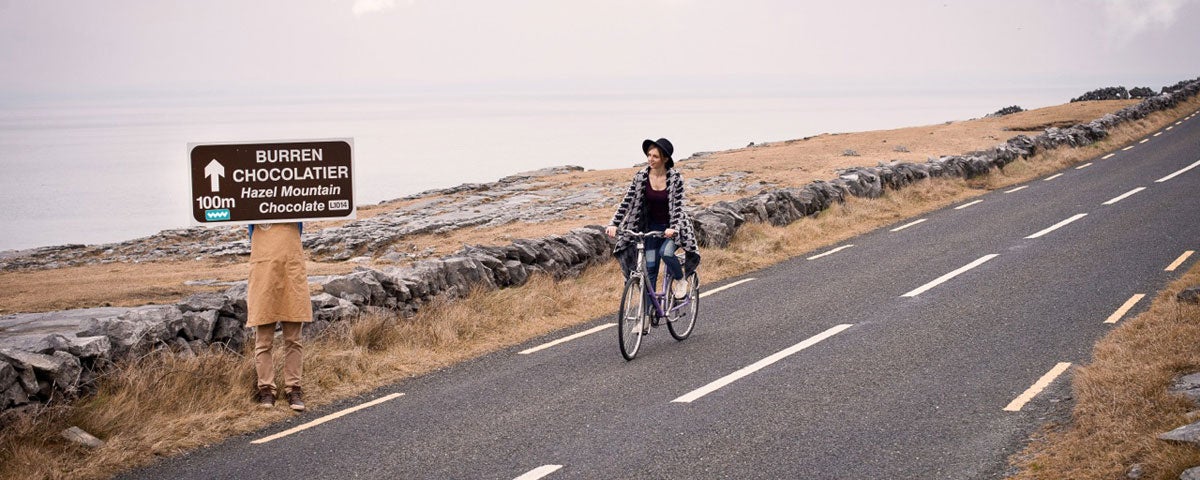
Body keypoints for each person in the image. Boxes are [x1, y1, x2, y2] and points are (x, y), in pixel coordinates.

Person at [606, 137, 701, 310]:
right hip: (651, 228)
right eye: (649, 155)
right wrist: (614, 223)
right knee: (650, 269)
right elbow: (627, 201)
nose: (650, 159)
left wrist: (674, 228)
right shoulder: (641, 176)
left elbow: (678, 208)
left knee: (666, 252)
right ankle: (647, 316)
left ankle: (680, 280)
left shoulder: (675, 178)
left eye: (655, 156)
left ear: (665, 159)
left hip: (674, 228)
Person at [247, 222, 311, 412]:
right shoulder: (252, 211)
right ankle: (266, 389)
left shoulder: (292, 203)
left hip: (290, 271)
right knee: (263, 341)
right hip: (264, 274)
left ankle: (294, 389)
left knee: (293, 340)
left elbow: (299, 225)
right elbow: (251, 231)